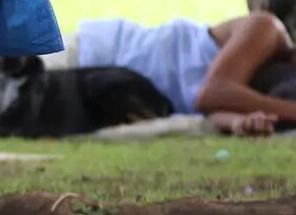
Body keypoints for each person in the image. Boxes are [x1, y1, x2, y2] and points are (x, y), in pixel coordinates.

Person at [66, 12, 295, 137]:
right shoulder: (266, 30)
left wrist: (241, 122)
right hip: (102, 53)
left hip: (110, 97)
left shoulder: (270, 91)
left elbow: (210, 112)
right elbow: (211, 94)